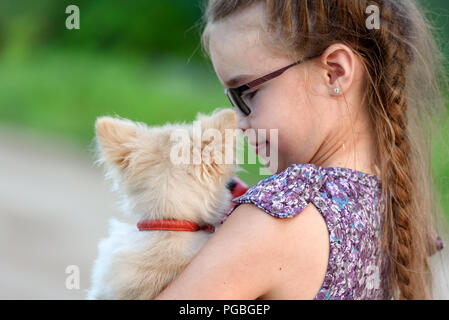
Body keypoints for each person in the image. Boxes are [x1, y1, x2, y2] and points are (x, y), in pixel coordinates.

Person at [155, 0, 448, 299]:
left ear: (334, 72)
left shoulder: (280, 214)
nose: (239, 123)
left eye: (247, 93)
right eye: (231, 101)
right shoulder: (393, 205)